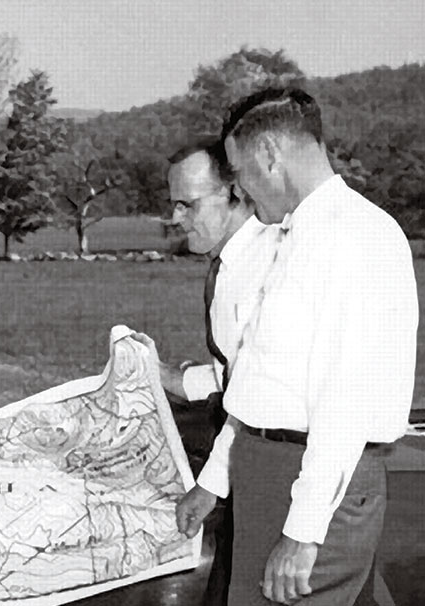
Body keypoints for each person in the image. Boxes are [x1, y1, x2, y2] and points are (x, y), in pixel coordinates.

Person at [181, 87, 418, 605]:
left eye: (240, 175)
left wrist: (303, 532)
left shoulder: (355, 237)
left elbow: (346, 401)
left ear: (270, 156)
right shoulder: (297, 235)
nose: (242, 191)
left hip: (313, 484)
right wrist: (217, 477)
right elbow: (259, 380)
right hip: (271, 471)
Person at [157, 138, 280, 606]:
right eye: (173, 206)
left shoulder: (262, 267)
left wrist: (209, 486)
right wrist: (172, 378)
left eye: (188, 204)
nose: (176, 218)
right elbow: (236, 369)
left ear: (235, 192)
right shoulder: (230, 265)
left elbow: (259, 389)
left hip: (267, 472)